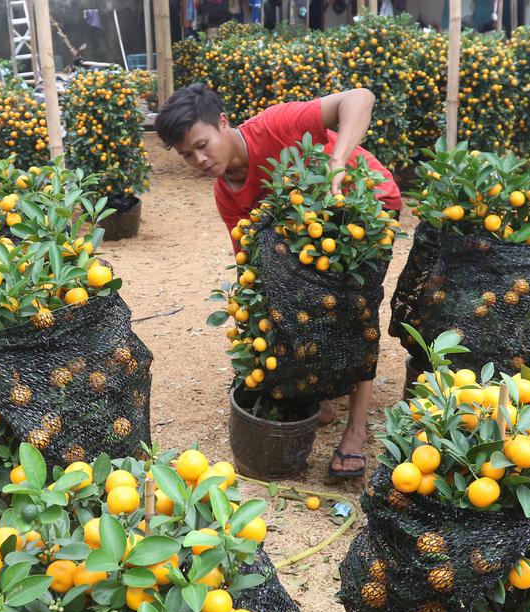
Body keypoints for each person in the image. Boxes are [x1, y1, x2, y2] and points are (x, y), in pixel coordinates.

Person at [154, 84, 403, 478]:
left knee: (354, 312)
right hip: (312, 230)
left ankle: (355, 430)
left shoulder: (274, 126)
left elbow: (361, 97)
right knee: (293, 305)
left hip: (367, 206)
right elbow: (249, 260)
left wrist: (337, 161)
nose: (199, 159)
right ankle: (317, 393)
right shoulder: (225, 192)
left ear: (222, 123)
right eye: (187, 154)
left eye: (202, 144)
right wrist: (252, 311)